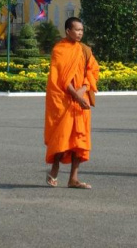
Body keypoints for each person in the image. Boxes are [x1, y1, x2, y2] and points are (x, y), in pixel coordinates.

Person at [44, 17, 99, 189]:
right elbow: (60, 78)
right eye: (76, 30)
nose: (80, 33)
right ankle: (55, 168)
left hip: (81, 100)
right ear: (68, 31)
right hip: (65, 99)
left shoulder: (85, 50)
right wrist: (76, 95)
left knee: (79, 139)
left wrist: (84, 89)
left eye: (82, 30)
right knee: (63, 136)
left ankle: (73, 178)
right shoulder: (59, 50)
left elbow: (92, 71)